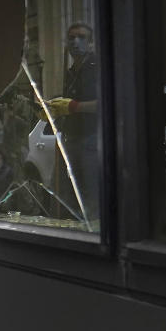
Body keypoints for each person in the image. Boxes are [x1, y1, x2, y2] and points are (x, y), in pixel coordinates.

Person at [40, 22, 100, 222]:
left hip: (91, 138)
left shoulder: (96, 67)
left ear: (90, 43)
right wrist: (55, 109)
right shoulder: (72, 71)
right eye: (72, 37)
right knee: (71, 193)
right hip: (72, 139)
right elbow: (68, 106)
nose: (76, 42)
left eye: (81, 37)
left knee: (90, 193)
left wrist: (73, 106)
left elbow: (106, 104)